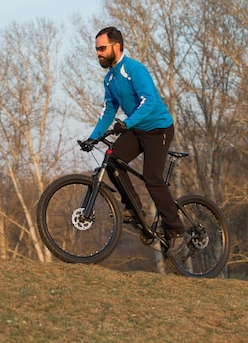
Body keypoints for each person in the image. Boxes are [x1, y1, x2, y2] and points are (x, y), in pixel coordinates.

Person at [79, 26, 186, 257]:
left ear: (116, 47)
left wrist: (127, 123)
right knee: (113, 161)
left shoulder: (134, 70)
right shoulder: (109, 79)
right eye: (96, 48)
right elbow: (108, 110)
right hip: (137, 128)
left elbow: (148, 103)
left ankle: (177, 230)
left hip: (158, 128)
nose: (97, 52)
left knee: (152, 178)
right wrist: (92, 138)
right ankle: (134, 208)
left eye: (101, 48)